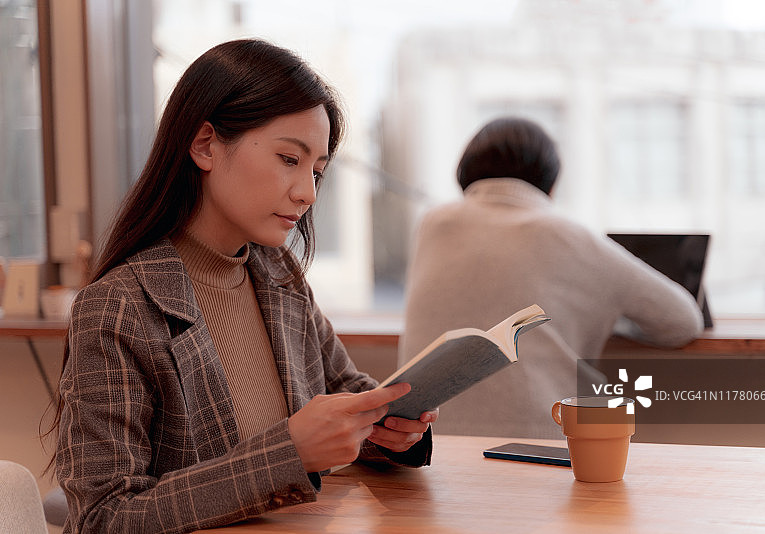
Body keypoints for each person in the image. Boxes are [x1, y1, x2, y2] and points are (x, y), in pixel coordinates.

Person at [46, 39, 436, 533]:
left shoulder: (280, 278)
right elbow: (104, 517)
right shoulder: (119, 307)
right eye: (289, 159)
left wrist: (390, 430)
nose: (308, 193)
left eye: (317, 171)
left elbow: (348, 393)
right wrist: (286, 454)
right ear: (205, 144)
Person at [399, 117, 703, 439]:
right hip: (546, 446)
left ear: (464, 173)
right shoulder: (566, 234)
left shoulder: (432, 224)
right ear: (552, 183)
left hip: (427, 446)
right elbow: (682, 321)